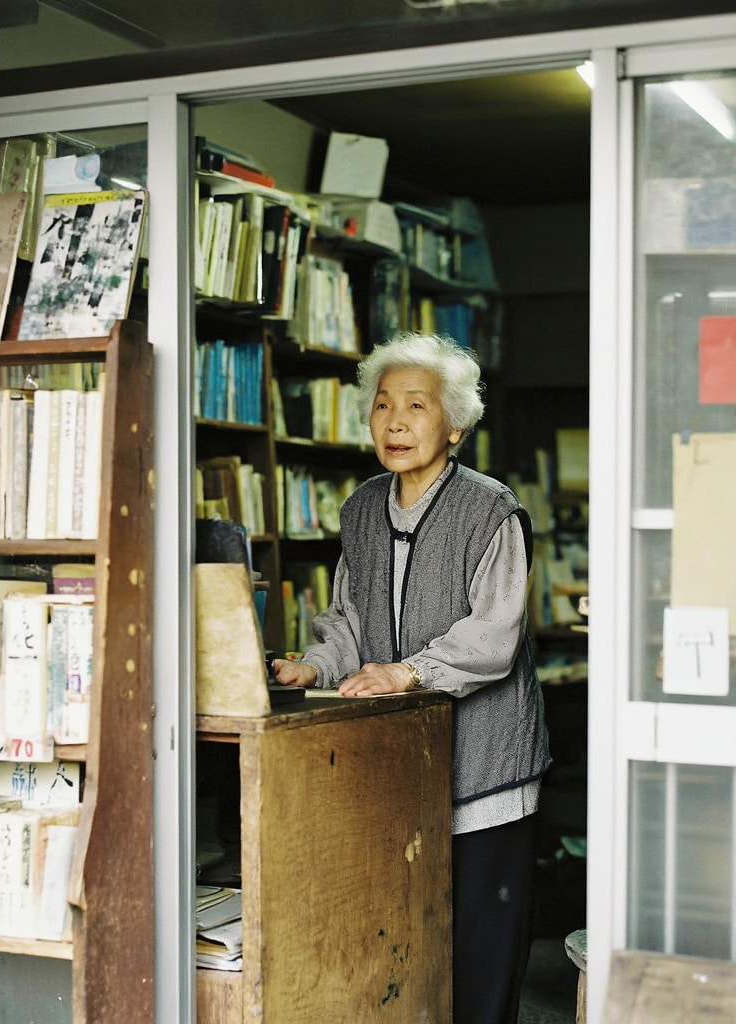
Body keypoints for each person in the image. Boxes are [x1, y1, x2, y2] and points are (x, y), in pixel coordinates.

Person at [272, 331, 551, 1024]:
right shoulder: (362, 508)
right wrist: (314, 665)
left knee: (480, 957)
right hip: (398, 767)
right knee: (404, 942)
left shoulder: (491, 509)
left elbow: (494, 635)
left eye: (417, 405)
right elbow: (350, 617)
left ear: (454, 424)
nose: (395, 422)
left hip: (486, 769)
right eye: (383, 405)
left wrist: (409, 672)